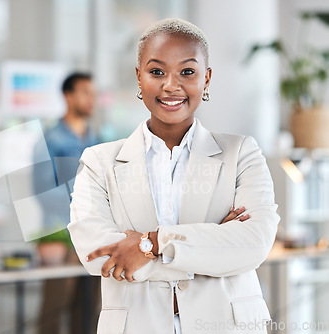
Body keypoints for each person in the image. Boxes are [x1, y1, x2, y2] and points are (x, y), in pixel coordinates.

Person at [68, 18, 279, 334]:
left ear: (206, 79)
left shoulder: (241, 153)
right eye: (156, 72)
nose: (171, 85)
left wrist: (151, 243)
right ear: (138, 77)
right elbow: (96, 255)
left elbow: (254, 244)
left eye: (188, 72)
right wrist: (212, 244)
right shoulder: (99, 162)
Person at [33, 73, 101, 334]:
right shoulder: (50, 139)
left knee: (86, 309)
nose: (91, 99)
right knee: (55, 306)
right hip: (60, 233)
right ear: (68, 96)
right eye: (85, 92)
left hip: (94, 234)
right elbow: (42, 190)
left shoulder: (96, 138)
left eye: (93, 93)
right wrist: (82, 201)